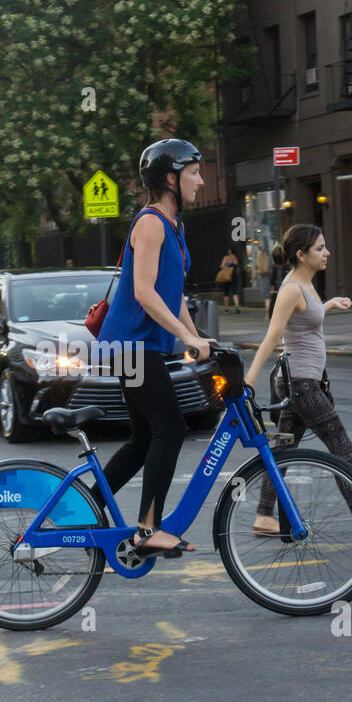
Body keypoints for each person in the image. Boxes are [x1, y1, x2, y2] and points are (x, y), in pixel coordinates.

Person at [94, 139, 215, 557]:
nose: (201, 180)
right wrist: (186, 338)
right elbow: (145, 293)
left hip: (142, 347)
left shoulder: (175, 226)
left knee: (144, 439)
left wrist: (197, 334)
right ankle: (148, 529)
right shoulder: (149, 223)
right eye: (194, 172)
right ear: (170, 178)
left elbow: (173, 292)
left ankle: (85, 506)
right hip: (130, 346)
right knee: (171, 428)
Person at [246, 224, 352, 538]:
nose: (326, 253)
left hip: (301, 381)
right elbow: (274, 336)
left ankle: (263, 516)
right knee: (341, 444)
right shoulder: (291, 290)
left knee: (282, 451)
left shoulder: (306, 285)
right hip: (301, 384)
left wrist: (328, 305)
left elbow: (306, 318)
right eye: (319, 248)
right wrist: (248, 379)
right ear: (301, 255)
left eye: (325, 246)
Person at [218, 244, 242, 314]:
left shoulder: (225, 257)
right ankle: (237, 307)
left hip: (226, 277)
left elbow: (222, 266)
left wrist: (227, 265)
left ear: (229, 250)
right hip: (233, 277)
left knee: (226, 293)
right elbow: (236, 264)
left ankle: (226, 309)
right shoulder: (235, 257)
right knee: (235, 292)